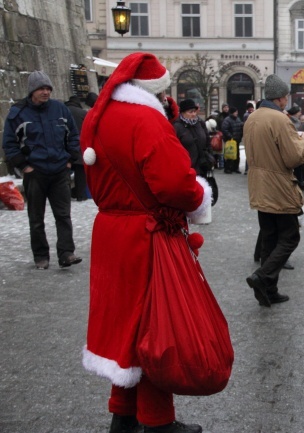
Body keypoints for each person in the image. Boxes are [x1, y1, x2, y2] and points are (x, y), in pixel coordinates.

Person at [80, 53, 211, 433]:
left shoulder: (97, 116)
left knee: (126, 325)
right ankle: (157, 420)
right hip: (147, 234)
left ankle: (122, 414)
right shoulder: (145, 119)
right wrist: (199, 198)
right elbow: (173, 182)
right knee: (156, 325)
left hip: (111, 232)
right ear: (153, 90)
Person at [2, 70, 82, 270]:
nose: (46, 92)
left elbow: (73, 135)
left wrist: (71, 159)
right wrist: (24, 166)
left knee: (63, 215)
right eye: (41, 89)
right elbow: (9, 143)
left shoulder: (60, 109)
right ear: (32, 91)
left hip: (59, 171)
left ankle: (66, 254)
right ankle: (41, 256)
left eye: (48, 88)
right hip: (35, 172)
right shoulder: (18, 113)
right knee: (36, 218)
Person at [243, 74, 304, 307]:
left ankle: (268, 291)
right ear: (282, 98)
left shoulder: (252, 118)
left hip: (258, 184)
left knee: (269, 238)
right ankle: (262, 277)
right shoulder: (280, 119)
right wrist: (303, 140)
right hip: (278, 185)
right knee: (290, 236)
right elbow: (294, 157)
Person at [173, 99, 217, 206]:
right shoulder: (176, 127)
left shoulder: (200, 123)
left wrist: (210, 156)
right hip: (186, 169)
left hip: (202, 166)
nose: (193, 114)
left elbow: (207, 141)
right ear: (182, 113)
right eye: (190, 112)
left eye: (194, 111)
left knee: (202, 194)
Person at [65, 95, 90, 201]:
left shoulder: (62, 111)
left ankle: (65, 195)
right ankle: (81, 195)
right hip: (79, 145)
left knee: (65, 172)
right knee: (80, 172)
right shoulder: (82, 113)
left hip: (64, 146)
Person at [221, 105, 243, 174]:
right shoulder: (227, 120)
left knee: (237, 155)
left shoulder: (238, 119)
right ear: (232, 112)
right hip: (230, 140)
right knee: (229, 154)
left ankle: (235, 168)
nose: (237, 113)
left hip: (237, 140)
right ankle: (228, 168)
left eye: (237, 112)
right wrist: (230, 136)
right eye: (235, 112)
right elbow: (224, 129)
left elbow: (240, 127)